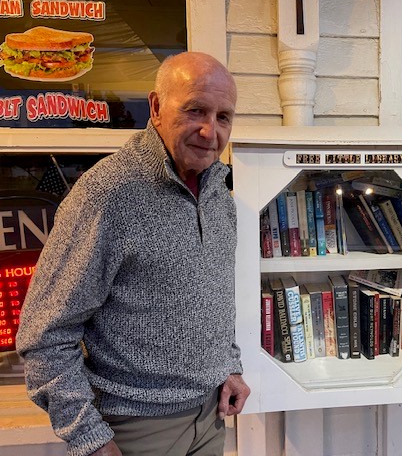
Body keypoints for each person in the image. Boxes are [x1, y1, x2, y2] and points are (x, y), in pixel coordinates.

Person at [16, 52, 250, 456]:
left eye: (223, 117)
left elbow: (211, 296)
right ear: (157, 108)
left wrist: (227, 365)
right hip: (136, 431)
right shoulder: (106, 195)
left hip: (211, 418)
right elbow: (45, 335)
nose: (210, 131)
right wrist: (88, 435)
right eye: (195, 110)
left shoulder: (217, 196)